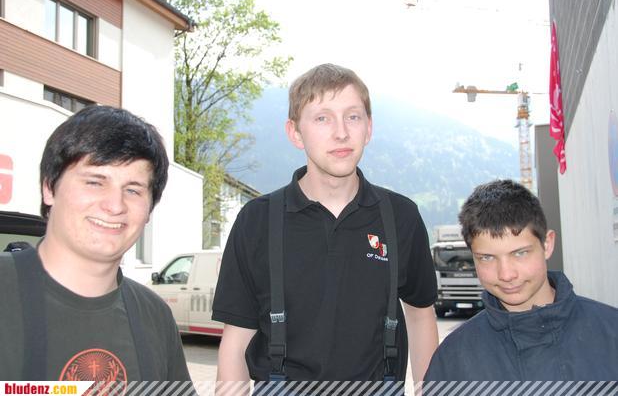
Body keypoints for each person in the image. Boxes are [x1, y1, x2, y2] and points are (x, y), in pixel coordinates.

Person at [213, 64, 439, 389]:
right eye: (322, 118)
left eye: (353, 116)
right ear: (295, 133)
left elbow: (420, 317)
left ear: (369, 128)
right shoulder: (256, 221)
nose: (341, 132)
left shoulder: (401, 217)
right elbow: (235, 344)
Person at [0, 106, 192, 385]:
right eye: (94, 182)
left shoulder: (155, 316)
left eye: (133, 190)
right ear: (49, 188)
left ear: (150, 209)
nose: (115, 205)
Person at [424, 179, 618, 382]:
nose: (506, 274)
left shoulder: (612, 334)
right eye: (487, 258)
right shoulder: (452, 360)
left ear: (547, 244)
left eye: (520, 253)